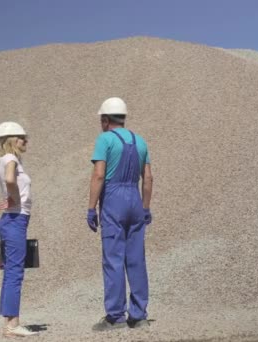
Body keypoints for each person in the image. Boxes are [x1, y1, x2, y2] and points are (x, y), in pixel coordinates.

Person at [87, 97, 154, 331]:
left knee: (113, 259)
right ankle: (139, 315)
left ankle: (115, 316)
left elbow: (98, 175)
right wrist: (145, 208)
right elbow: (148, 178)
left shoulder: (104, 140)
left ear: (105, 120)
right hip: (135, 199)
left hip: (114, 200)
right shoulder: (140, 141)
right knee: (136, 259)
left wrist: (91, 207)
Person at [0, 121, 38, 337]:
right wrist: (13, 199)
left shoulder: (6, 159)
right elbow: (10, 179)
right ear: (12, 139)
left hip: (12, 220)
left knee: (12, 270)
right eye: (22, 137)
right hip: (15, 220)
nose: (25, 140)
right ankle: (12, 325)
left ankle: (10, 323)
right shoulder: (11, 159)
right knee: (15, 272)